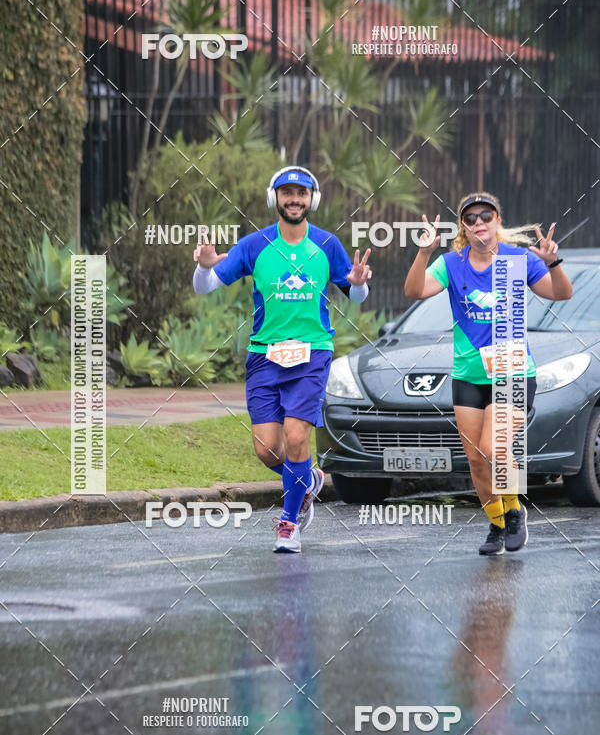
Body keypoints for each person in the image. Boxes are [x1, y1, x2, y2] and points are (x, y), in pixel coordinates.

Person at [193, 166, 372, 553]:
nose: (295, 199)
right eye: (287, 193)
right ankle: (306, 479)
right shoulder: (254, 245)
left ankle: (289, 523)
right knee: (266, 449)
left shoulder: (327, 245)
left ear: (312, 199)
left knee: (295, 438)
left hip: (311, 355)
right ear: (275, 198)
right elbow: (205, 286)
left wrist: (357, 284)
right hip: (264, 357)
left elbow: (356, 294)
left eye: (302, 193)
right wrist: (203, 266)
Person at [404, 191, 572, 555]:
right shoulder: (451, 263)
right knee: (477, 462)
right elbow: (414, 291)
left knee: (493, 447)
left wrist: (554, 262)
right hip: (468, 375)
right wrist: (423, 252)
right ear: (463, 226)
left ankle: (514, 511)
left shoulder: (520, 259)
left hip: (512, 371)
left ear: (497, 219)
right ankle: (498, 522)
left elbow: (561, 294)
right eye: (471, 218)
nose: (479, 222)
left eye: (486, 215)